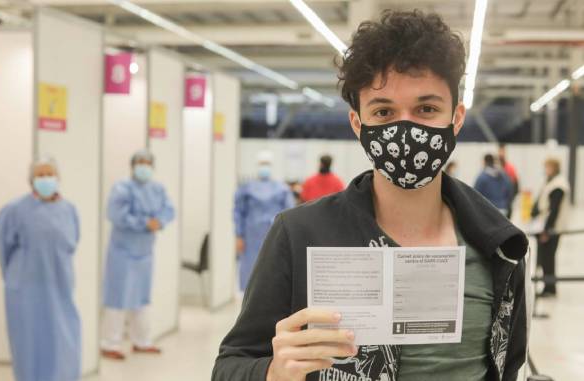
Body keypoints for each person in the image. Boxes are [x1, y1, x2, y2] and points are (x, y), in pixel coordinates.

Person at [213, 10, 528, 381]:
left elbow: (509, 366)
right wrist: (272, 372)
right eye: (384, 111)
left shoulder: (499, 246)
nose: (405, 128)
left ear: (455, 119)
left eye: (426, 109)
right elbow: (229, 366)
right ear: (358, 124)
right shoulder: (299, 234)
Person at [0, 156, 81, 381]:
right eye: (40, 175)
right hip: (25, 290)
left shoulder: (69, 210)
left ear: (58, 178)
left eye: (49, 174)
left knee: (64, 339)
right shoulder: (15, 210)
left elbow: (72, 244)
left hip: (60, 286)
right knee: (29, 343)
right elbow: (3, 247)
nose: (45, 179)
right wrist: (15, 279)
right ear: (31, 180)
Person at [100, 149, 175, 359]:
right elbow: (115, 214)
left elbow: (169, 210)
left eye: (147, 162)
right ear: (133, 165)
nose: (144, 166)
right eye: (140, 162)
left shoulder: (157, 189)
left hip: (145, 253)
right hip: (122, 252)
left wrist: (158, 221)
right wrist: (144, 223)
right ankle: (109, 343)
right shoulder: (122, 188)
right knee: (117, 297)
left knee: (141, 298)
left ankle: (141, 341)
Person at [234, 151, 295, 292]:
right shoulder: (247, 188)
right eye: (262, 164)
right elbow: (238, 212)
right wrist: (239, 235)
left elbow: (290, 214)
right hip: (251, 236)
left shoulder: (281, 188)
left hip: (275, 234)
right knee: (250, 268)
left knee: (273, 267)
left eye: (266, 164)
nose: (264, 167)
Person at [531, 158, 569, 297]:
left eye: (548, 167)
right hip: (544, 225)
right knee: (545, 257)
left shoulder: (558, 185)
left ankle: (550, 288)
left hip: (551, 228)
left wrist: (546, 230)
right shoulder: (551, 181)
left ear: (554, 168)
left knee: (548, 258)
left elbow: (554, 210)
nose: (545, 170)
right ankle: (548, 286)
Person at [498, 144, 520, 218]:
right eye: (500, 152)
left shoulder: (509, 167)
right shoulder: (496, 167)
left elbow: (516, 183)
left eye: (502, 152)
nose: (501, 154)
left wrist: (511, 198)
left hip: (507, 198)